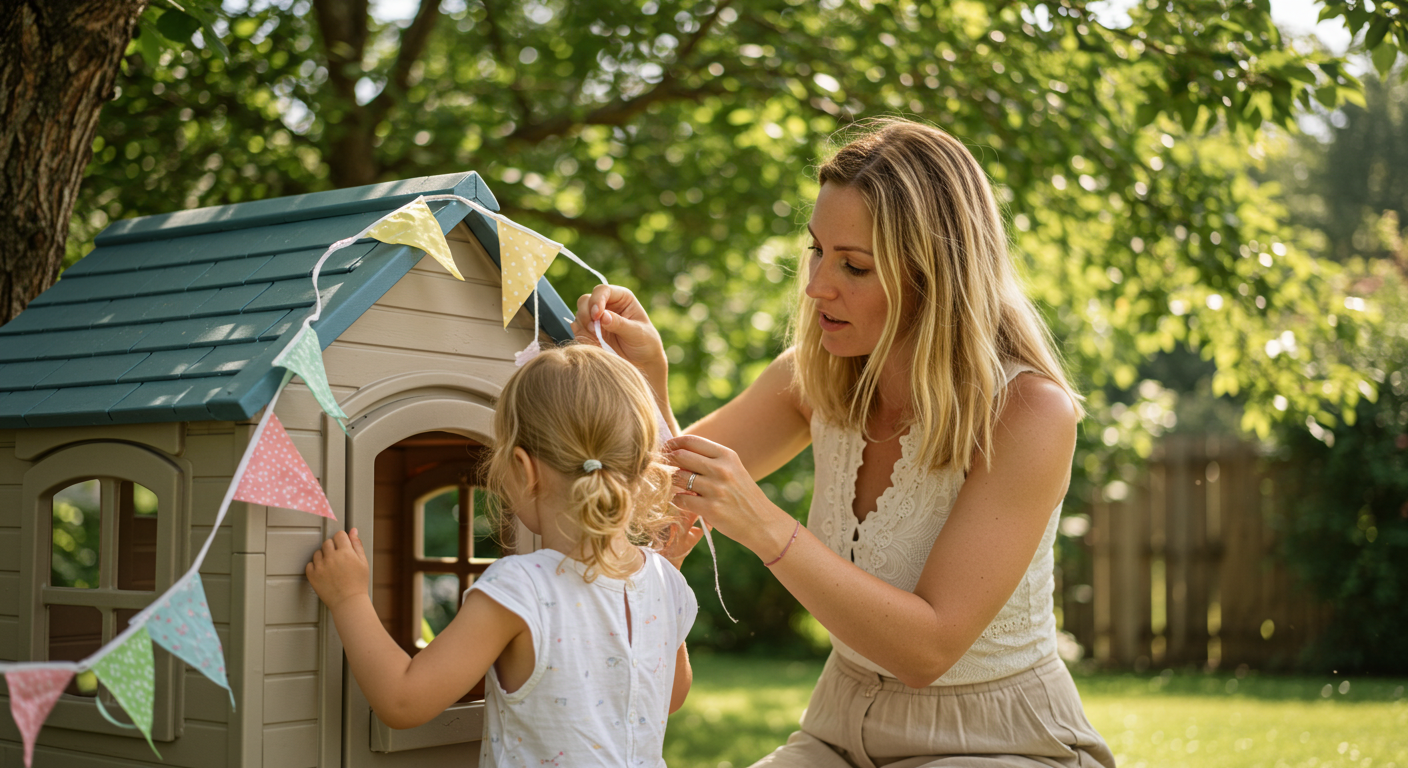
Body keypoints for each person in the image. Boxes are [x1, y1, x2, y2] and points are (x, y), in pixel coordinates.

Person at [571, 118, 1116, 767]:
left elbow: (928, 650)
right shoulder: (814, 378)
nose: (816, 285)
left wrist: (764, 526)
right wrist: (646, 382)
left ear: (933, 276)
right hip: (834, 730)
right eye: (817, 251)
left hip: (996, 742)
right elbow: (660, 490)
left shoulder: (1028, 413)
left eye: (853, 265)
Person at [305, 344, 700, 767]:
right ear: (641, 469)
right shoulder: (665, 581)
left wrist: (348, 598)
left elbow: (403, 701)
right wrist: (669, 574)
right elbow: (671, 696)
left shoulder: (521, 587)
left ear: (523, 468)